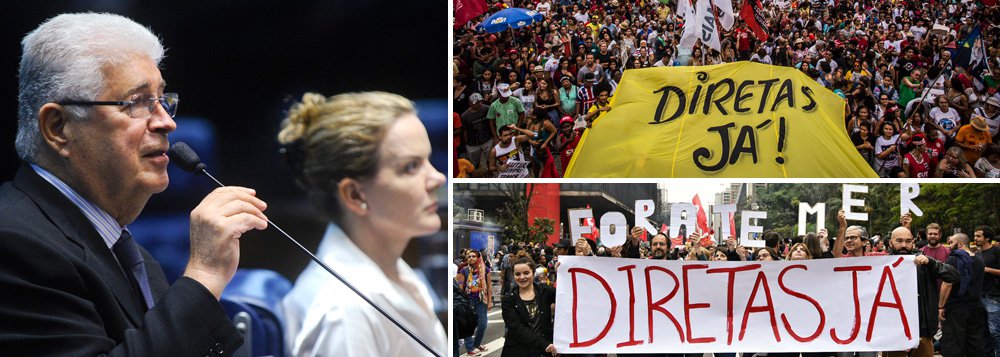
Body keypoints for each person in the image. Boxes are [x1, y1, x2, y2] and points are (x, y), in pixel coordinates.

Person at [0, 13, 262, 355]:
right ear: (58, 127)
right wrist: (205, 273)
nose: (167, 122)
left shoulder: (131, 253)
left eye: (163, 100)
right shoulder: (15, 244)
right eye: (138, 103)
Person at [278, 92, 447, 356]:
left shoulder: (392, 270)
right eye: (411, 167)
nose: (438, 178)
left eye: (427, 160)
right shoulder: (344, 314)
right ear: (355, 195)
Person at [883, 223, 959, 357]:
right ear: (890, 243)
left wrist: (931, 263)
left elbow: (954, 276)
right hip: (892, 328)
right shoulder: (882, 263)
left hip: (922, 326)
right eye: (899, 241)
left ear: (913, 242)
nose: (904, 246)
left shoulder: (923, 261)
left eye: (908, 241)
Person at [938, 233, 987, 357]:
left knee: (953, 344)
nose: (949, 246)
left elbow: (947, 283)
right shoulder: (979, 259)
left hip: (957, 308)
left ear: (960, 244)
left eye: (951, 243)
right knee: (975, 344)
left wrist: (941, 306)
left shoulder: (953, 258)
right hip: (976, 307)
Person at [500, 252, 557, 357]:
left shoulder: (546, 291)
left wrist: (562, 274)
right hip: (518, 351)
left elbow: (569, 297)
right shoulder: (508, 300)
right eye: (517, 274)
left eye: (526, 273)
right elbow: (516, 328)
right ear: (513, 275)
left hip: (544, 351)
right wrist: (543, 344)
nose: (522, 277)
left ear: (533, 272)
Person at [974, 226, 1000, 357]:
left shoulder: (997, 251)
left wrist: (987, 269)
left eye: (978, 236)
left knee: (995, 331)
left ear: (987, 237)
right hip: (979, 296)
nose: (975, 238)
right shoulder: (977, 254)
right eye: (975, 236)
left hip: (993, 297)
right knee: (983, 332)